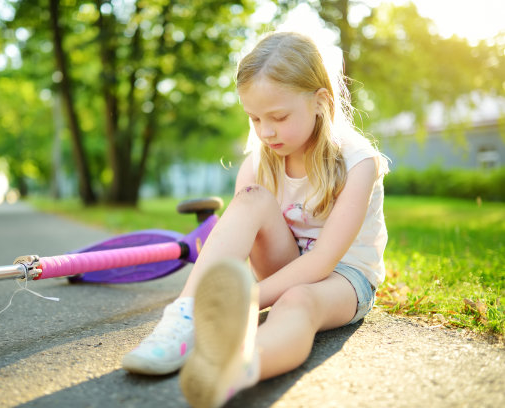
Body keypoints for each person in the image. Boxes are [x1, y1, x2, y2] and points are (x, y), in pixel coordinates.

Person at [122, 31, 389, 408]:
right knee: (250, 200)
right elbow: (241, 240)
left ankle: (235, 369)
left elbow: (323, 261)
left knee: (298, 302)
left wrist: (245, 302)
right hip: (285, 264)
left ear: (320, 101)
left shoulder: (358, 162)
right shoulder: (259, 161)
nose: (265, 131)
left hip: (345, 279)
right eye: (255, 118)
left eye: (278, 117)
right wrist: (213, 305)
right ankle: (183, 317)